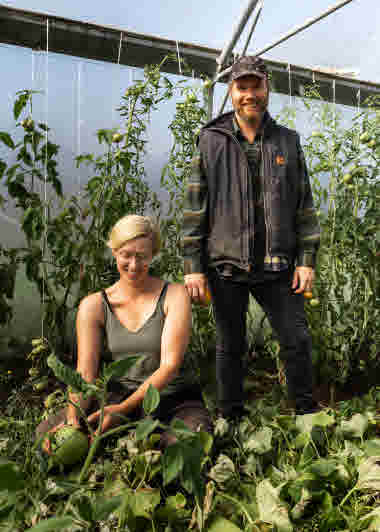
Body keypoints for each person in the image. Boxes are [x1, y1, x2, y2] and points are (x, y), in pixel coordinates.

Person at [182, 56, 320, 418]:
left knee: (297, 339)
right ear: (231, 91)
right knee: (230, 345)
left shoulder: (287, 142)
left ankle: (307, 416)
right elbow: (195, 207)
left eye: (255, 86)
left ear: (267, 88)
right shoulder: (212, 140)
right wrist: (192, 267)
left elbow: (304, 206)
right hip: (227, 263)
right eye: (241, 87)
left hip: (277, 263)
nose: (249, 94)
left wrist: (307, 261)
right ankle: (231, 419)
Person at [37, 214, 211, 448]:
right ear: (114, 251)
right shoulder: (94, 305)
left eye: (142, 256)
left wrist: (122, 410)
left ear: (153, 255)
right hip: (119, 396)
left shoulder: (174, 295)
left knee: (184, 445)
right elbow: (85, 373)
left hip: (174, 398)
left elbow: (170, 366)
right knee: (46, 434)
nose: (134, 265)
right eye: (126, 255)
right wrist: (72, 418)